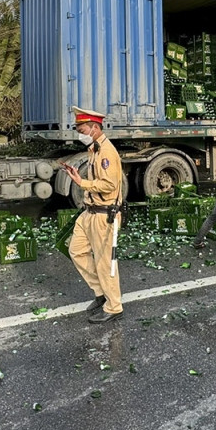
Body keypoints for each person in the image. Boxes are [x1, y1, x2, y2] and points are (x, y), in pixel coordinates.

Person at [62, 106, 125, 324]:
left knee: (104, 262)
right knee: (76, 250)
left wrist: (82, 182)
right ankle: (100, 292)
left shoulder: (107, 152)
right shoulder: (94, 150)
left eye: (82, 129)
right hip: (89, 211)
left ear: (95, 128)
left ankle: (114, 305)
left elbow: (109, 185)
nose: (79, 133)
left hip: (104, 214)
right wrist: (78, 177)